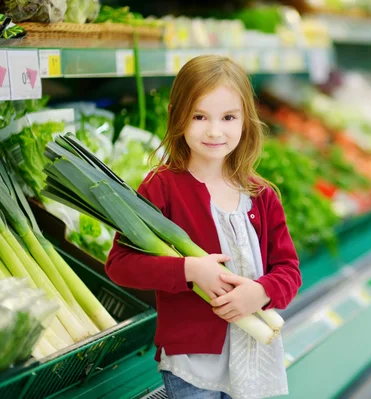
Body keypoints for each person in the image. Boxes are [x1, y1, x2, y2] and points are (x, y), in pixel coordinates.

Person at [105, 55, 302, 399]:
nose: (214, 131)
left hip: (254, 358)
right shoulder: (161, 187)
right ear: (177, 116)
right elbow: (120, 265)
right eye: (199, 117)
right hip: (191, 365)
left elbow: (288, 270)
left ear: (245, 121)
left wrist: (262, 291)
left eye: (228, 117)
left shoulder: (262, 195)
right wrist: (189, 270)